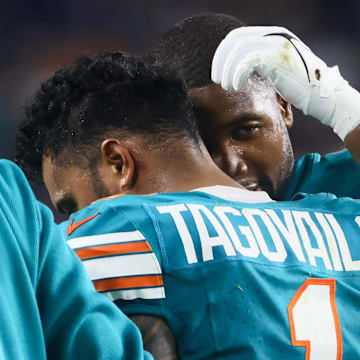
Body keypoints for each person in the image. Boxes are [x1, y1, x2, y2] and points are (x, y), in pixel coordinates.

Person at [15, 52, 360, 359]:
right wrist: (337, 101)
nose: (80, 215)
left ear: (118, 162)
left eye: (73, 203)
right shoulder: (342, 220)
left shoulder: (121, 228)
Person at [153, 13, 360, 200]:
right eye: (201, 145)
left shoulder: (340, 186)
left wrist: (337, 102)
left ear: (283, 106)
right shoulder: (155, 220)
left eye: (247, 130)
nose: (231, 164)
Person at [0, 159, 152, 359]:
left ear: (120, 165)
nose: (74, 221)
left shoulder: (84, 242)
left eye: (73, 210)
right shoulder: (11, 197)